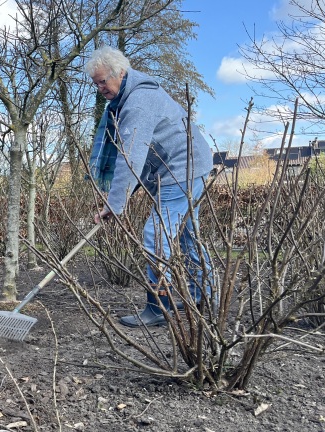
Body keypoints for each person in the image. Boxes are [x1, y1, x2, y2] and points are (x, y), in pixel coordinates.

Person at [85, 46, 214, 327]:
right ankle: (206, 298)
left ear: (120, 73)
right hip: (187, 167)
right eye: (95, 83)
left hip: (182, 169)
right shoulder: (129, 99)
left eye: (103, 81)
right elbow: (137, 164)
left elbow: (130, 156)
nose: (100, 89)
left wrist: (116, 203)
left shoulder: (138, 103)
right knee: (188, 235)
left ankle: (159, 307)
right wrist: (118, 200)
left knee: (156, 234)